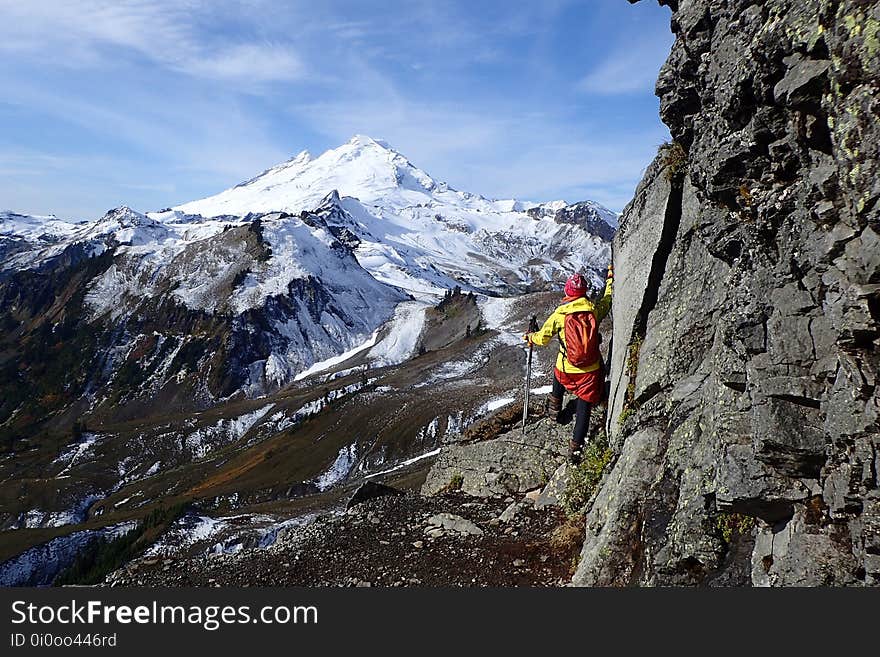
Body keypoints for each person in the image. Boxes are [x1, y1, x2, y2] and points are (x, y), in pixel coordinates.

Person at [524, 264, 613, 464]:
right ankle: (575, 450)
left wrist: (530, 337)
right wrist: (610, 280)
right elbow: (607, 301)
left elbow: (543, 338)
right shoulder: (593, 311)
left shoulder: (560, 315)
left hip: (567, 370)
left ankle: (555, 407)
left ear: (567, 292)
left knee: (558, 368)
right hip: (590, 372)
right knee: (584, 408)